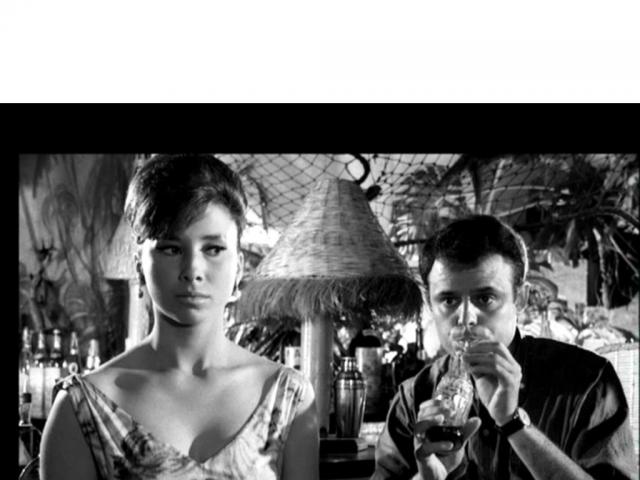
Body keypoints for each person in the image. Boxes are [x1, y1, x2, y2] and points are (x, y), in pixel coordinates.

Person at [40, 154, 319, 480]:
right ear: (139, 266)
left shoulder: (287, 399)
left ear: (239, 267)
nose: (192, 270)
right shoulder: (81, 409)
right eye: (171, 248)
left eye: (213, 249)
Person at [372, 214, 636, 480]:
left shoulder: (588, 380)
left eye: (485, 298)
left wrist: (514, 423)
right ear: (430, 304)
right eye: (449, 300)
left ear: (520, 299)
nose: (466, 318)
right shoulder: (413, 398)